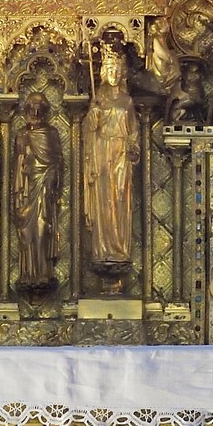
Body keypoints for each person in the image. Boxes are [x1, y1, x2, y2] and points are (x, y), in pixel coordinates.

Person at [83, 42, 140, 278]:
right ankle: (103, 249)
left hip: (120, 155)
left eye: (117, 69)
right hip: (101, 152)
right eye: (109, 68)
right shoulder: (98, 101)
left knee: (120, 198)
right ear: (103, 72)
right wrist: (93, 116)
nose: (114, 74)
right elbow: (88, 131)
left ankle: (119, 248)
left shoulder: (127, 102)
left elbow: (133, 131)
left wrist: (132, 146)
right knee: (103, 200)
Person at [13, 94, 63, 294]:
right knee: (26, 231)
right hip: (27, 187)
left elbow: (58, 160)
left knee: (43, 227)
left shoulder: (51, 133)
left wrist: (52, 176)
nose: (35, 110)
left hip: (44, 187)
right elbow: (17, 162)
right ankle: (28, 271)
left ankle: (43, 270)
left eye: (39, 106)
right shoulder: (21, 134)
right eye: (32, 106)